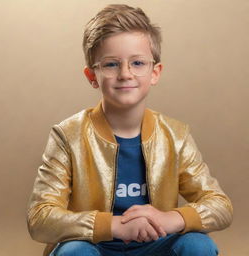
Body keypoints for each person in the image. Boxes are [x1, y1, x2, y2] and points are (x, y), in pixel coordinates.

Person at [27, 4, 233, 256]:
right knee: (73, 252)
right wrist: (113, 225)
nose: (125, 74)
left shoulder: (175, 136)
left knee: (197, 245)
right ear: (92, 75)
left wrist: (172, 219)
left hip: (156, 244)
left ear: (155, 72)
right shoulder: (67, 136)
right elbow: (40, 218)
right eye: (111, 64)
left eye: (137, 62)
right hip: (94, 246)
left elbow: (220, 206)